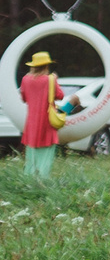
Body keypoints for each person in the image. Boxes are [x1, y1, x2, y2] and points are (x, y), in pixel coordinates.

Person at [16, 51, 62, 181]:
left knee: (31, 153)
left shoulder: (25, 79)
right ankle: (43, 180)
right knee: (46, 152)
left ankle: (28, 180)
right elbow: (60, 95)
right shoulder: (51, 79)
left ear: (33, 66)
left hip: (32, 122)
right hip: (47, 121)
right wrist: (55, 80)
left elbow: (24, 98)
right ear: (46, 66)